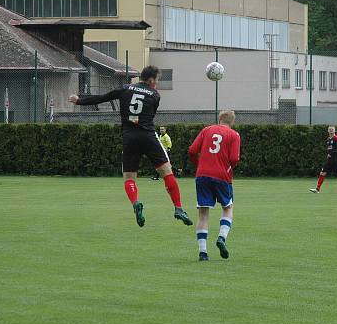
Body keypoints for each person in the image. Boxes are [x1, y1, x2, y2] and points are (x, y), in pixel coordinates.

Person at [68, 66, 192, 227]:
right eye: (157, 80)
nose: (157, 83)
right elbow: (150, 114)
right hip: (148, 136)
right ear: (151, 80)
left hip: (129, 137)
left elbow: (102, 98)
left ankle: (135, 203)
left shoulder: (124, 88)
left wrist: (79, 100)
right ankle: (178, 208)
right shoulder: (155, 95)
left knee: (129, 178)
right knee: (167, 173)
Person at [188, 110, 241, 261]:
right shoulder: (234, 135)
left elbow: (192, 150)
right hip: (222, 176)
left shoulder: (206, 130)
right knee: (228, 208)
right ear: (232, 122)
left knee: (203, 214)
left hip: (202, 175)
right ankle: (222, 238)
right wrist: (229, 167)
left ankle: (203, 253)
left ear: (219, 119)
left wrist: (198, 165)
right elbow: (234, 158)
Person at [309, 125, 337, 194]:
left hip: (336, 161)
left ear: (335, 131)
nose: (331, 130)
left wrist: (331, 154)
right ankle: (317, 189)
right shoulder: (328, 139)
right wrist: (328, 154)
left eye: (332, 129)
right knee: (322, 173)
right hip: (329, 160)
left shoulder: (336, 138)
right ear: (328, 131)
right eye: (330, 129)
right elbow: (329, 149)